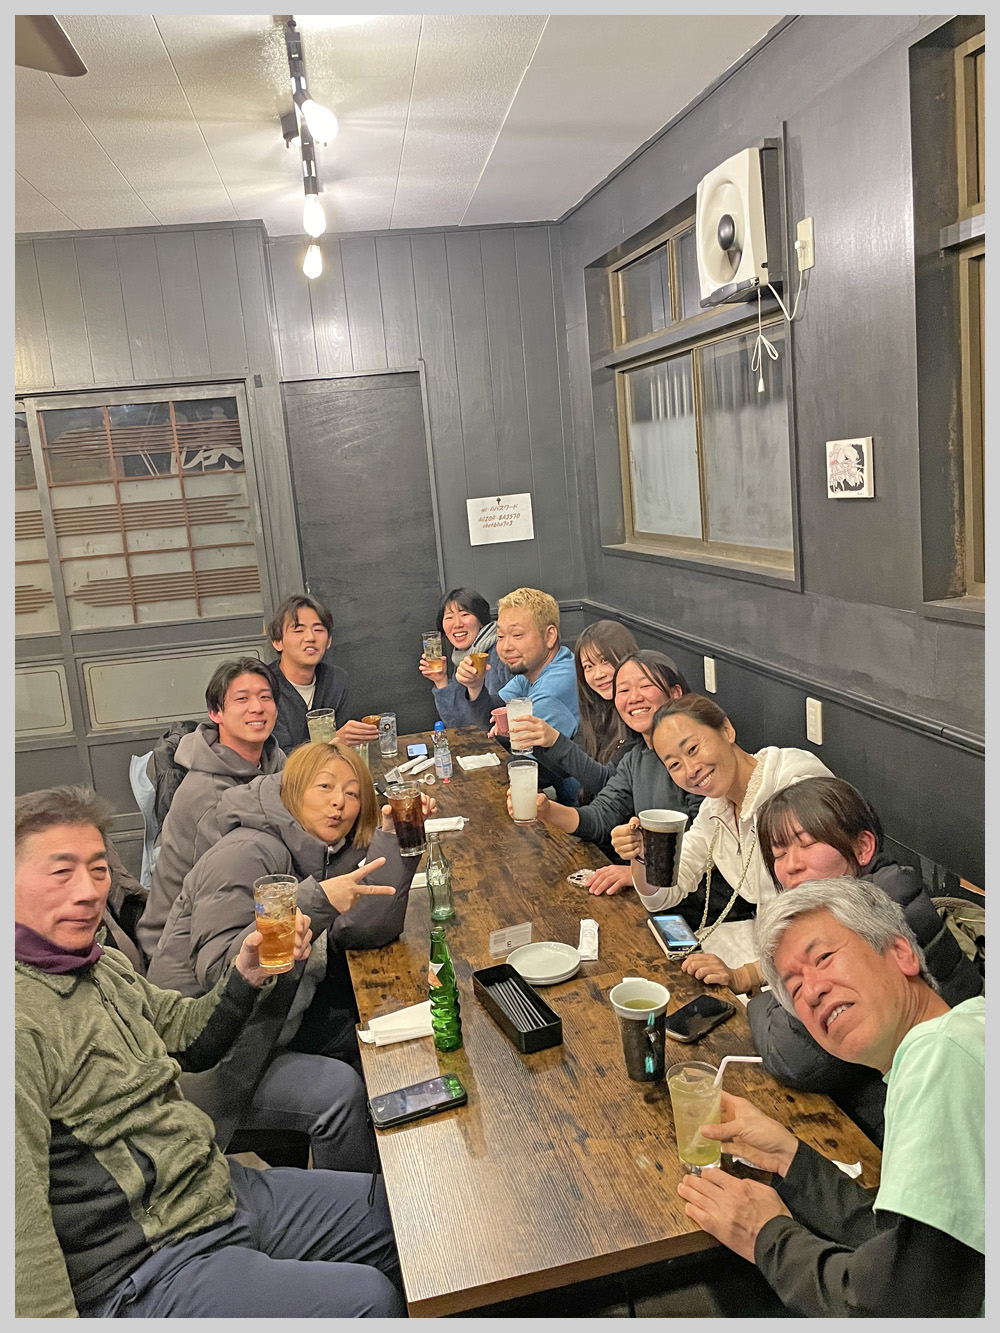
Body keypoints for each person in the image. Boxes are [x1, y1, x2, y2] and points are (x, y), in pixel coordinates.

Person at [15, 786, 406, 1319]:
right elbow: (20, 1235)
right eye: (62, 872)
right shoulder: (21, 1022)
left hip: (212, 1189)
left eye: (99, 869)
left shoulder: (98, 964)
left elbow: (189, 1040)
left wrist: (245, 975)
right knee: (368, 1300)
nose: (88, 891)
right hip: (146, 1264)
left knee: (408, 1218)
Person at [675, 878, 984, 1317]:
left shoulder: (939, 1054)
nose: (813, 990)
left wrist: (765, 1235)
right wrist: (790, 1157)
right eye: (794, 988)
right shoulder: (966, 1033)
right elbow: (903, 1251)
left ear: (902, 953)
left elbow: (888, 1310)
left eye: (823, 958)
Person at [147, 741, 431, 1153]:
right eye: (325, 787)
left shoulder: (316, 850)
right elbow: (222, 972)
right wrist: (315, 900)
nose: (339, 802)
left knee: (382, 1038)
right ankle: (355, 1194)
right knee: (340, 1091)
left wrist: (390, 839)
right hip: (207, 1060)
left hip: (274, 1022)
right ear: (293, 789)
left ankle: (403, 1170)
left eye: (352, 793)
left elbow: (361, 932)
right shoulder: (248, 851)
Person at [733, 776, 984, 1143]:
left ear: (863, 847)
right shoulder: (840, 907)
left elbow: (796, 1057)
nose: (791, 866)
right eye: (779, 853)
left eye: (807, 843)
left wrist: (760, 1002)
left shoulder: (888, 906)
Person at [615, 694, 832, 967]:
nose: (690, 770)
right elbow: (661, 895)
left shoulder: (794, 786)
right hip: (771, 944)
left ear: (727, 730)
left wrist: (746, 976)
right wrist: (642, 853)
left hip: (818, 953)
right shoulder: (715, 810)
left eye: (693, 749)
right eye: (674, 765)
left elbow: (826, 909)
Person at [513, 651, 729, 905]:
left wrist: (636, 872)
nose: (634, 697)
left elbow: (705, 844)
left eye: (645, 686)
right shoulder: (635, 757)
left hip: (707, 901)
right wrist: (546, 810)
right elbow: (600, 816)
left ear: (675, 693)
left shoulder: (698, 762)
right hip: (661, 896)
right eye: (624, 690)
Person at [136, 658, 286, 960]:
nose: (257, 708)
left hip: (241, 910)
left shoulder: (275, 763)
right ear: (216, 713)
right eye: (242, 699)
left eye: (265, 697)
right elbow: (229, 888)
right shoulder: (208, 794)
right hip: (182, 945)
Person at [506, 619, 639, 803]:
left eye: (605, 660)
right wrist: (535, 743)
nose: (598, 674)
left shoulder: (637, 715)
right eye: (588, 667)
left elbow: (608, 782)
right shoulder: (596, 710)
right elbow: (567, 771)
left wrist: (555, 741)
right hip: (589, 810)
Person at [268, 593, 379, 753]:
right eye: (298, 630)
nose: (310, 637)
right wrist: (334, 743)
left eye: (318, 629)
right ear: (277, 642)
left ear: (328, 641)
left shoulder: (336, 680)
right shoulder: (265, 688)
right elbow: (278, 758)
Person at [418, 585, 513, 726]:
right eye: (449, 617)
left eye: (465, 615)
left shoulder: (501, 652)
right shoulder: (463, 656)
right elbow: (458, 723)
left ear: (481, 621)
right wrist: (441, 681)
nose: (457, 624)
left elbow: (493, 719)